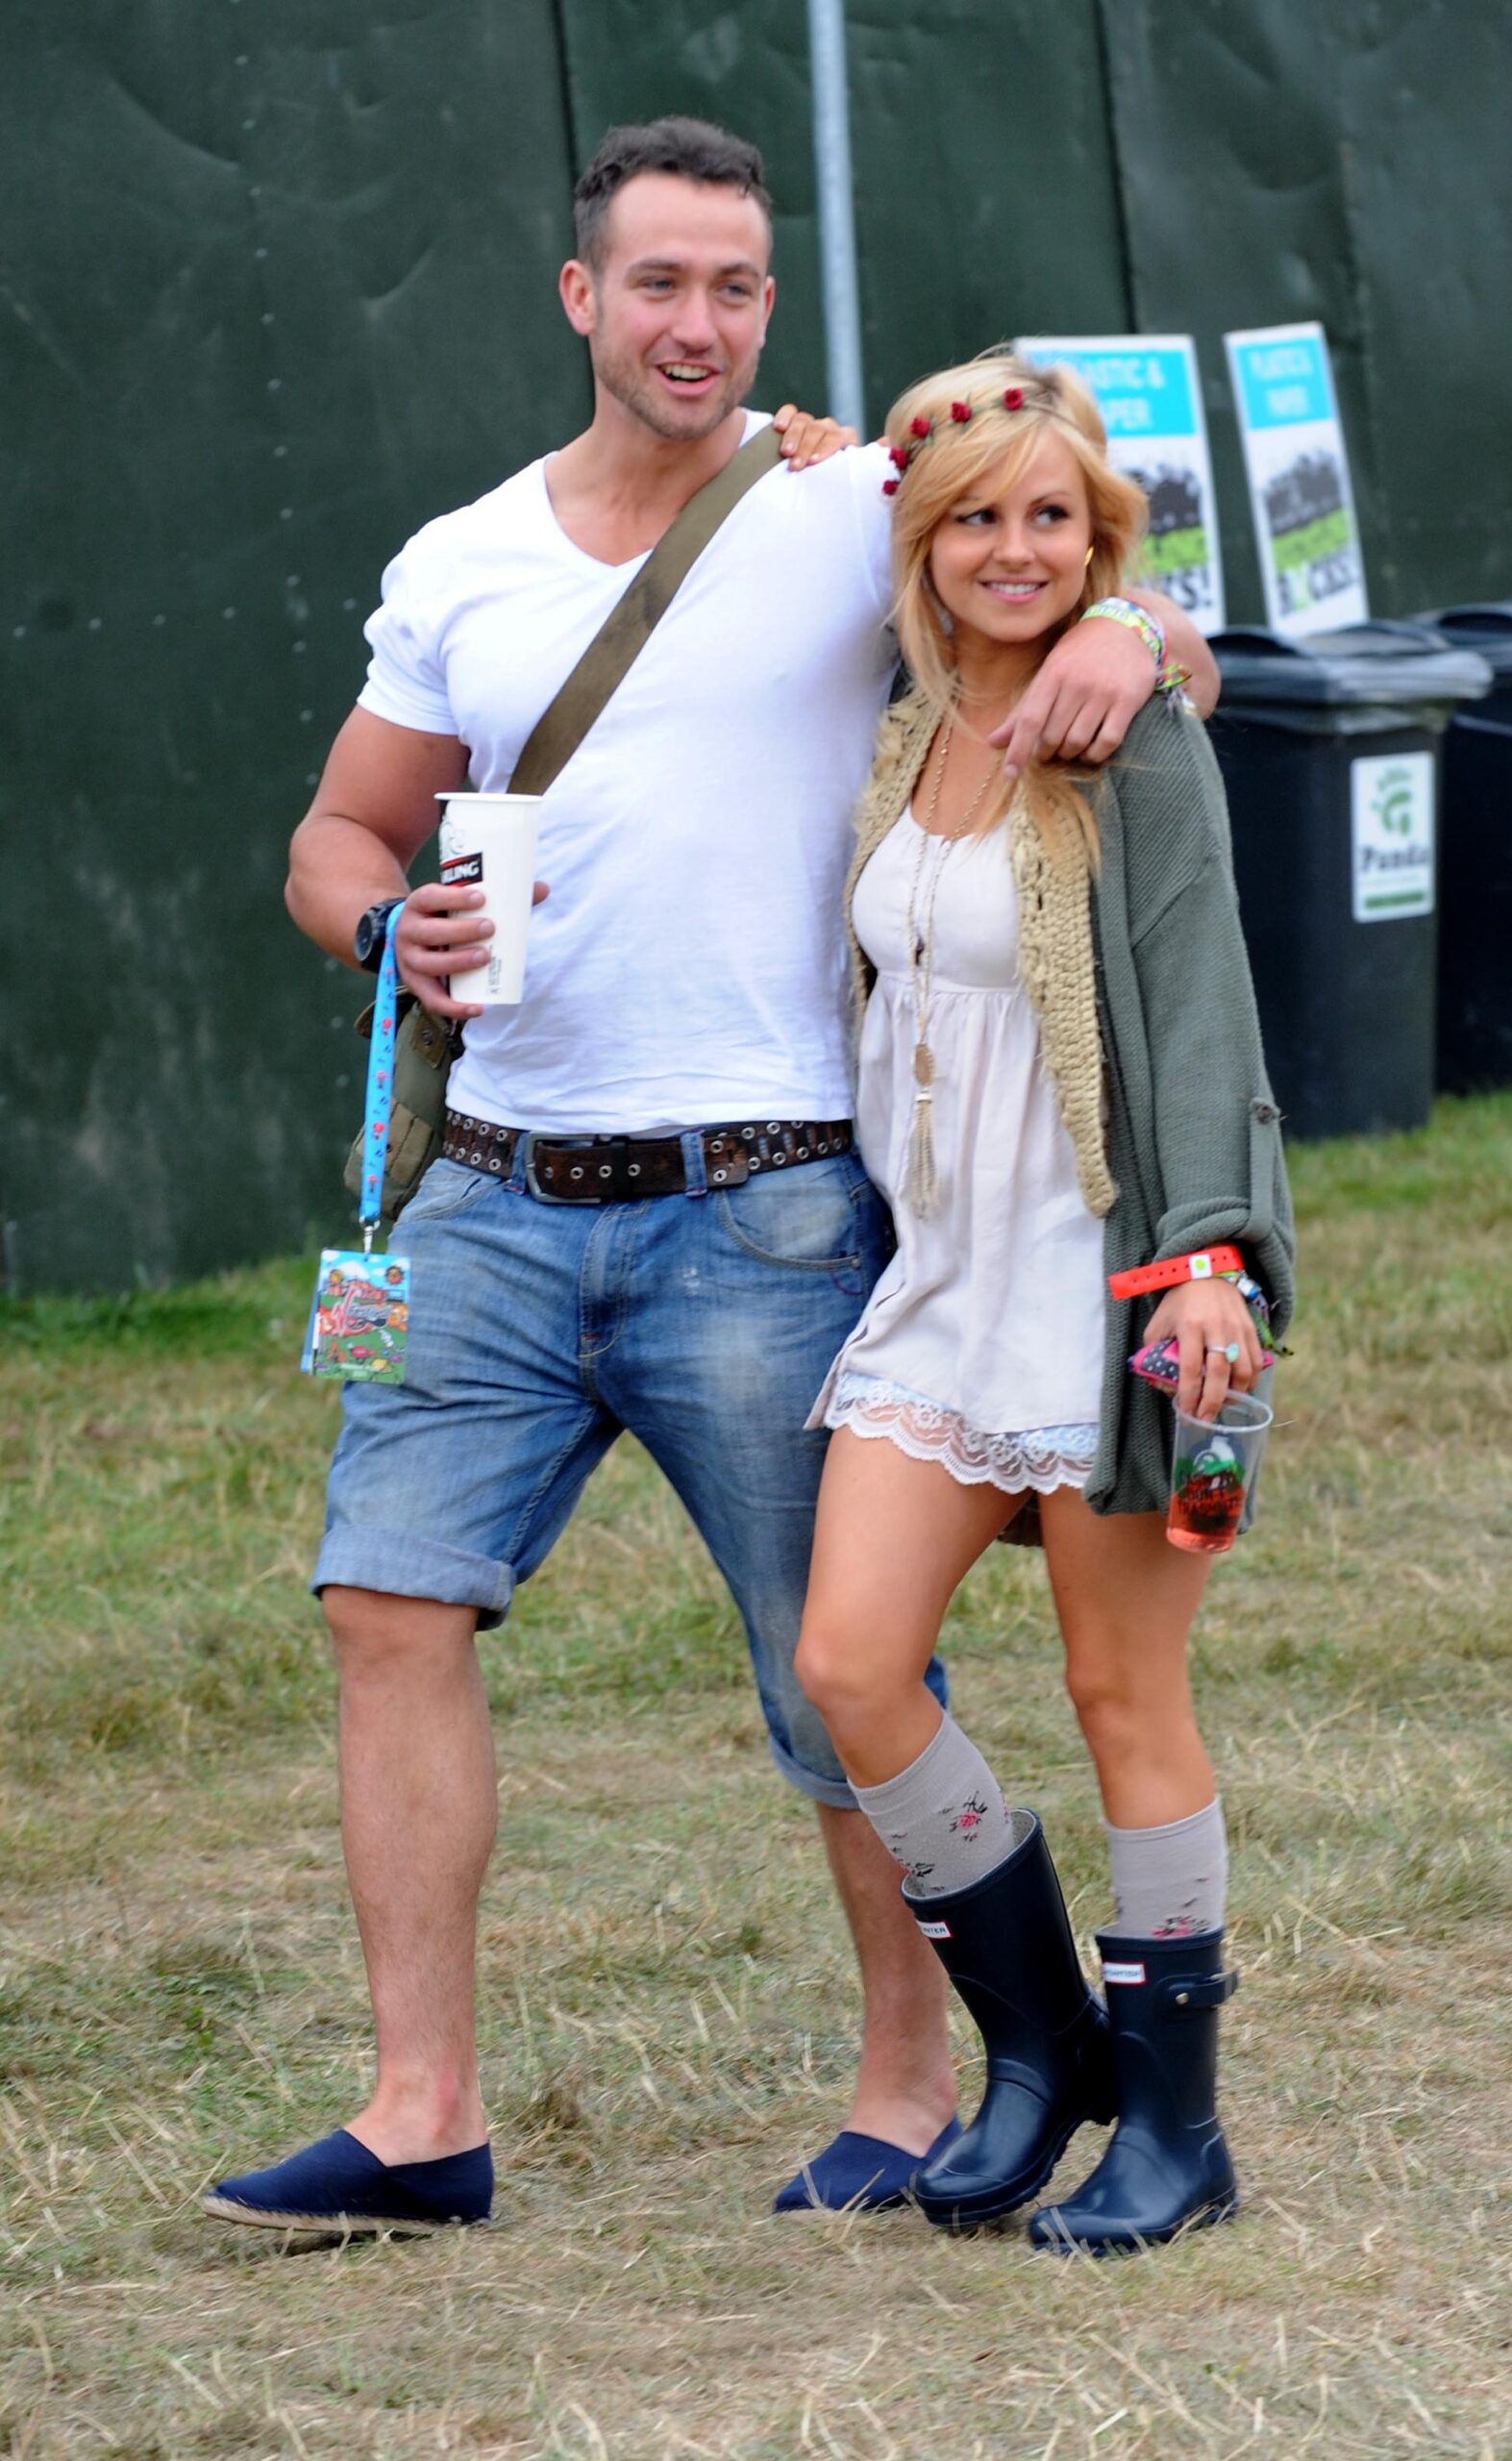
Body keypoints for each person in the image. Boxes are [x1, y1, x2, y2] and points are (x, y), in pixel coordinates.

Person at [201, 119, 1220, 2237]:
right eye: (656, 282)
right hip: (483, 1191)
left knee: (831, 1662)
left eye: (733, 288)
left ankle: (913, 2077)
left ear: (768, 307)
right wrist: (383, 926)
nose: (695, 322)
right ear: (582, 298)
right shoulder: (459, 560)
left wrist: (1140, 613)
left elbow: (1047, 552)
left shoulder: (843, 505)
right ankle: (419, 2113)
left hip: (760, 1196)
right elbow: (331, 837)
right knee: (385, 1602)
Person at [793, 352, 1295, 2253]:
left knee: (1116, 1689)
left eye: (1054, 520)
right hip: (931, 1289)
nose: (1015, 548)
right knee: (848, 1663)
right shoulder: (892, 734)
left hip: (1109, 1279)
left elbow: (1199, 1005)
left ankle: (1175, 2123)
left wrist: (1214, 1264)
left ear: (1099, 542)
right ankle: (1045, 2049)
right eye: (977, 517)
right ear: (923, 547)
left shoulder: (1126, 729)